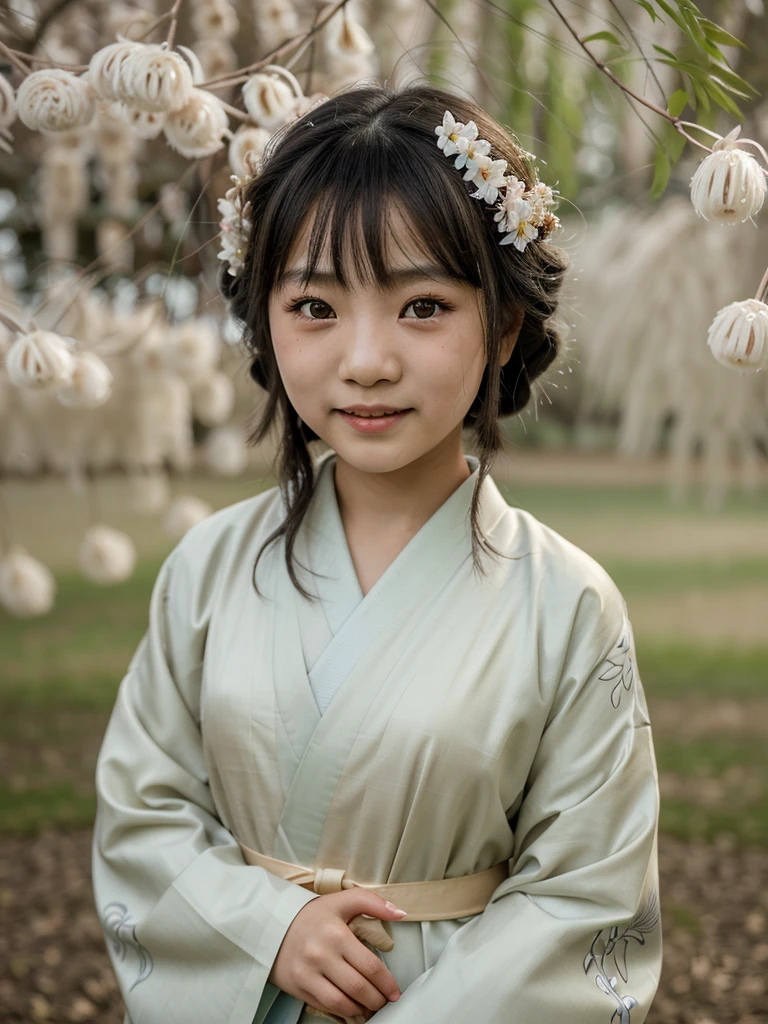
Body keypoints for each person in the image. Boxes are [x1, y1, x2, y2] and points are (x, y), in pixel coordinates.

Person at [92, 82, 662, 1024]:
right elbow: (144, 815)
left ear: (505, 324)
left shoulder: (569, 606)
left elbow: (585, 896)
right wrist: (265, 926)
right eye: (315, 304)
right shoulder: (205, 570)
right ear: (266, 324)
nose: (366, 359)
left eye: (424, 306)